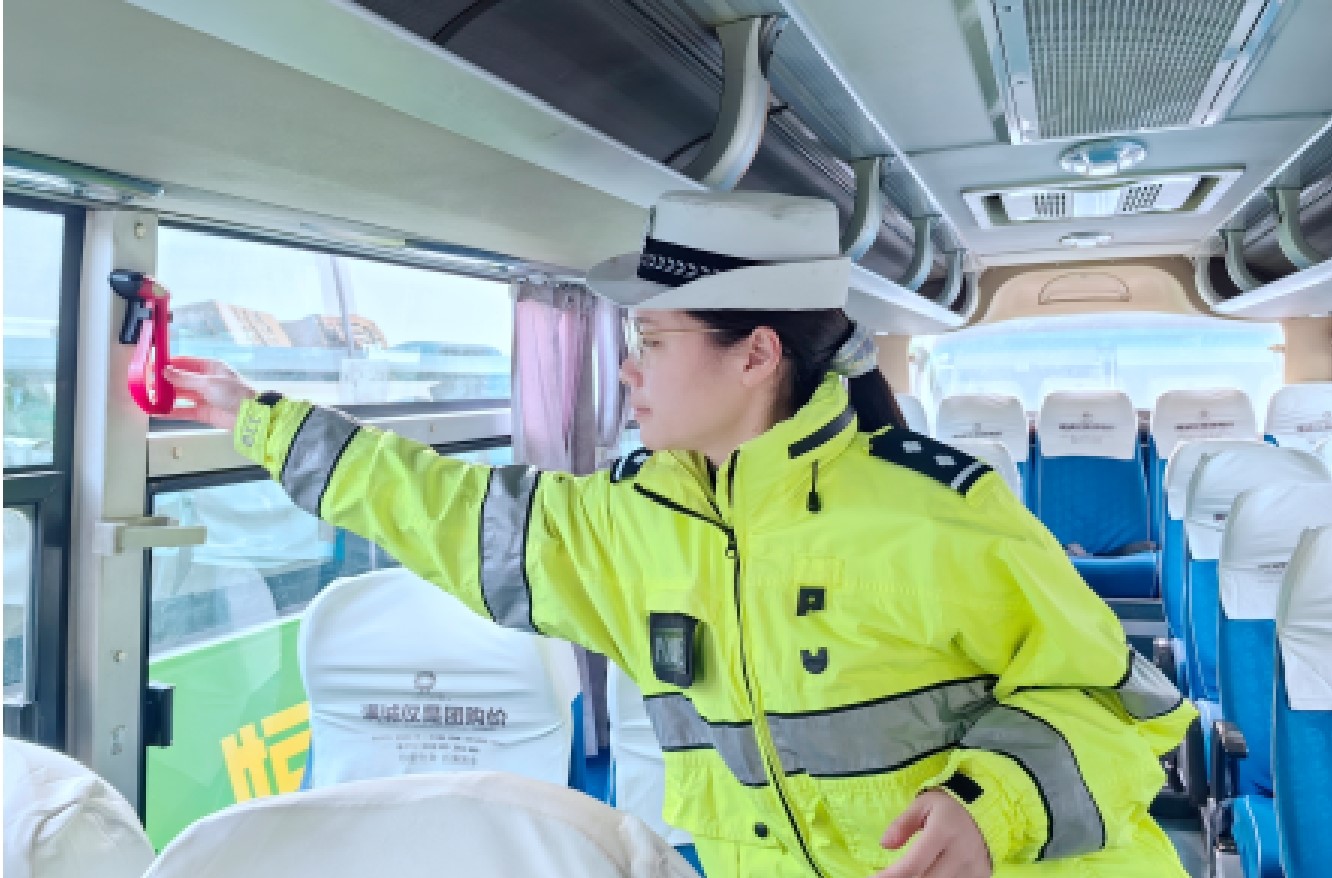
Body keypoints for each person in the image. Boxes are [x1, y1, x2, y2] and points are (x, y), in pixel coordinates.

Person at [166, 191, 1195, 878]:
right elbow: (441, 507)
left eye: (651, 341)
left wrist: (989, 804)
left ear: (755, 356)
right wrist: (257, 419)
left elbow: (1122, 708)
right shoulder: (630, 524)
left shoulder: (941, 513)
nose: (628, 370)